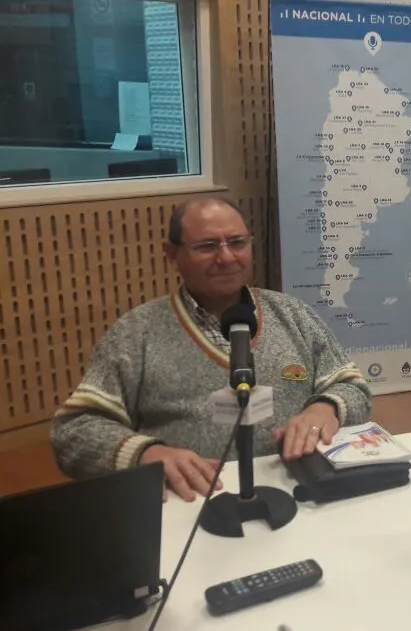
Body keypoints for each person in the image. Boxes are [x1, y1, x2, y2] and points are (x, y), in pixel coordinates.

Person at [51, 197, 373, 502]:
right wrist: (145, 453)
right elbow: (74, 432)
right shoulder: (136, 333)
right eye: (207, 246)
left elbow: (352, 387)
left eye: (237, 243)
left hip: (299, 496)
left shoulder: (293, 314)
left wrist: (326, 408)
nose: (227, 257)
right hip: (190, 506)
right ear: (172, 254)